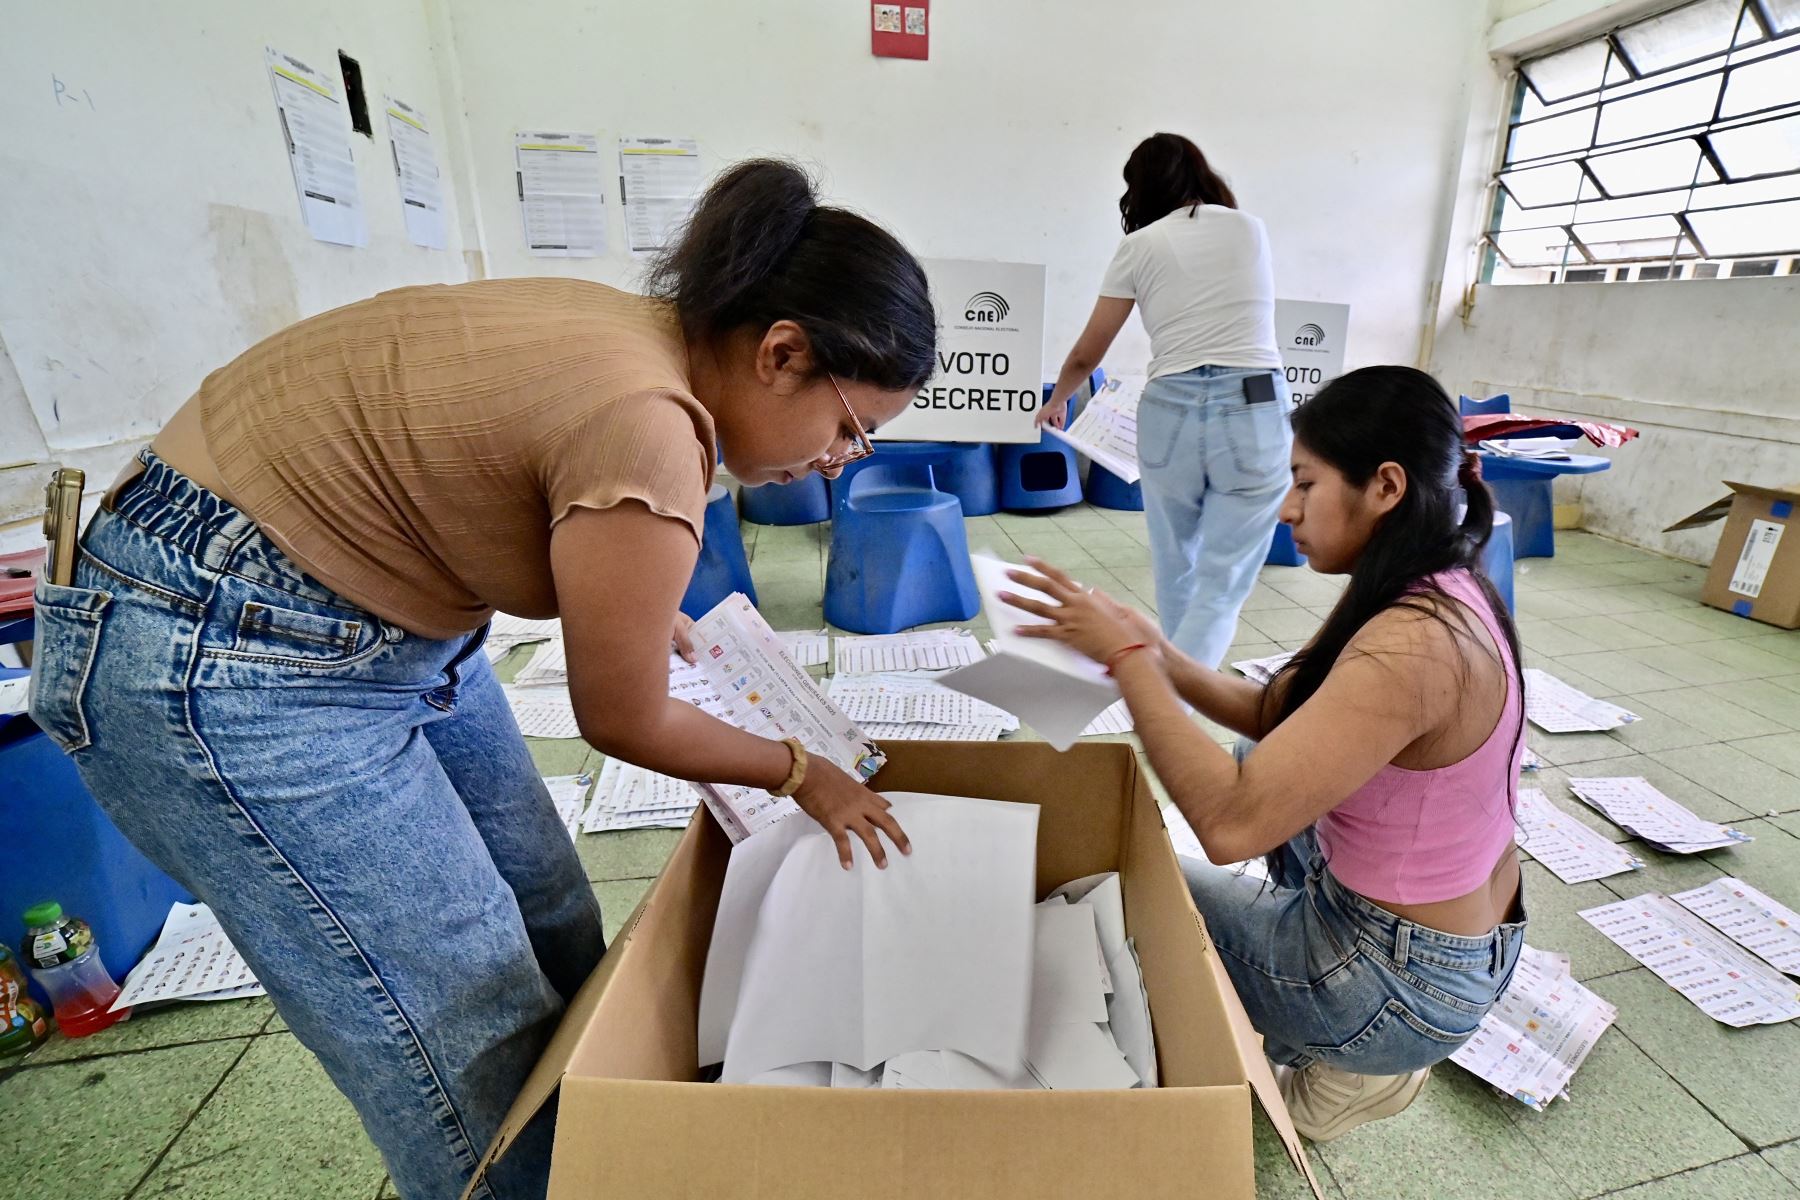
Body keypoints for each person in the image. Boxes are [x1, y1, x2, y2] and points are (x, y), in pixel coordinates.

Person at [28, 159, 929, 1199]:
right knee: (470, 1031)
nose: (841, 462)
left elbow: (531, 479)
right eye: (852, 428)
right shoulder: (653, 421)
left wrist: (635, 605)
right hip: (224, 651)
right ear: (782, 353)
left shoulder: (639, 335)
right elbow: (624, 719)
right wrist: (800, 770)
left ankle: (606, 1151)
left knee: (550, 916)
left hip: (352, 610)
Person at [1003, 366, 1527, 1142]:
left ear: (1384, 485)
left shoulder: (1415, 644)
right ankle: (1334, 1019)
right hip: (1450, 940)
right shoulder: (1433, 582)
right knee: (1261, 741)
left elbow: (1228, 823)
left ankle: (1358, 1059)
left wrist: (1127, 662)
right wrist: (1150, 643)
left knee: (1121, 886)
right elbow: (1270, 709)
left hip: (1399, 982)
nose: (1287, 509)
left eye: (1305, 484)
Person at [1038, 132, 1289, 667]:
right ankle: (1179, 699)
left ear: (1141, 190)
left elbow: (1088, 352)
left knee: (1178, 564)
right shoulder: (1251, 230)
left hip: (1170, 404)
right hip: (1256, 400)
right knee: (1224, 579)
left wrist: (1058, 399)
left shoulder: (1139, 245)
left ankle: (1172, 694)